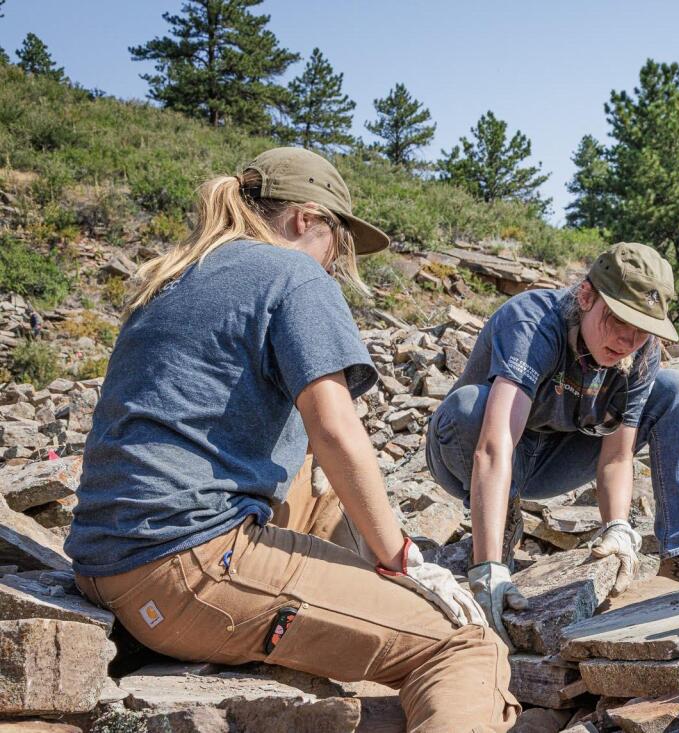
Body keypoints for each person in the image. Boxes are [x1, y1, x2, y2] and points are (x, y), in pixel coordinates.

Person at [66, 147, 518, 732]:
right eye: (340, 241)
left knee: (321, 495)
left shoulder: (175, 273)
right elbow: (332, 428)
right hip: (186, 569)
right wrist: (402, 559)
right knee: (465, 645)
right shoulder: (292, 271)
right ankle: (412, 635)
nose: (336, 261)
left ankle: (368, 614)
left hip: (104, 561)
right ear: (306, 219)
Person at [426, 242, 679, 646]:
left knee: (678, 390)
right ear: (586, 296)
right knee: (471, 406)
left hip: (557, 458)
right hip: (473, 446)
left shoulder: (640, 349)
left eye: (641, 329)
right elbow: (494, 446)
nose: (628, 340)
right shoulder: (532, 321)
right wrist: (487, 567)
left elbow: (616, 456)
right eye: (617, 321)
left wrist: (617, 527)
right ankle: (499, 528)